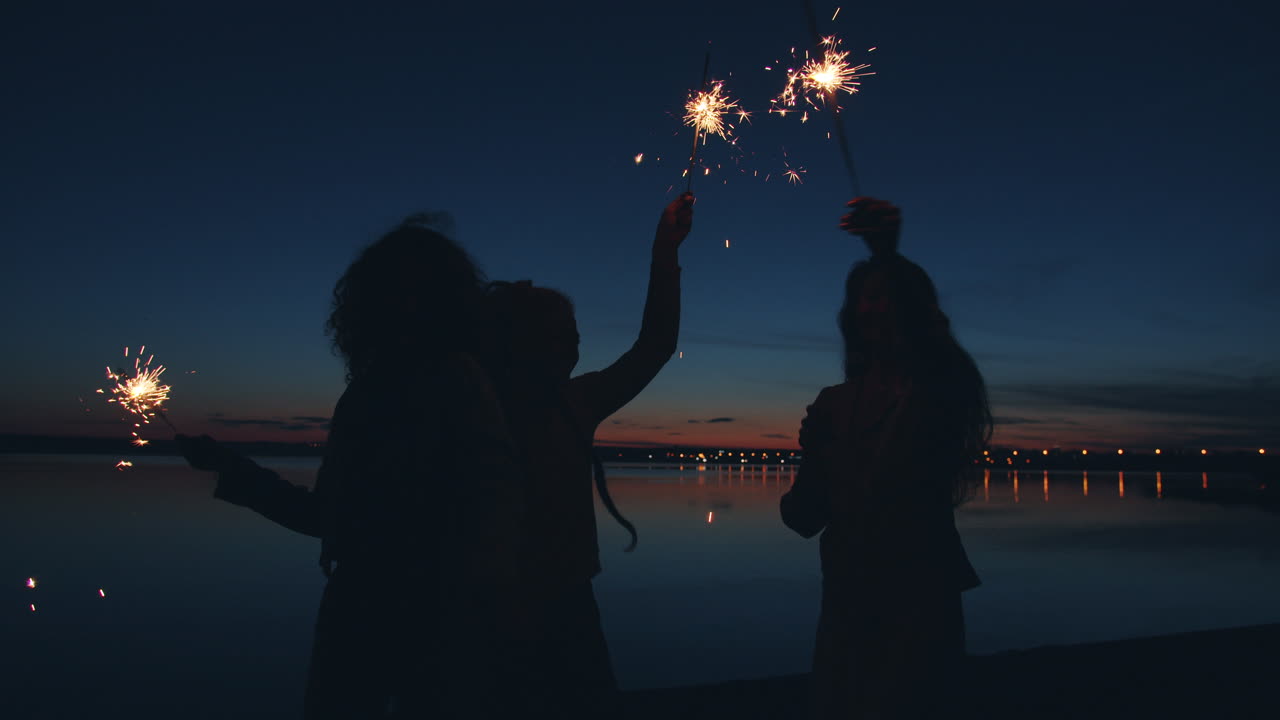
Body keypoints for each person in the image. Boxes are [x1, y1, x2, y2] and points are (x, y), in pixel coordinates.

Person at [177, 213, 525, 719]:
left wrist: (234, 472)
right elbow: (340, 516)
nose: (396, 305)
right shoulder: (406, 383)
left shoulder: (440, 382)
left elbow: (342, 517)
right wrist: (230, 468)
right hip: (405, 606)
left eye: (407, 291)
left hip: (419, 611)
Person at [479, 193, 694, 717]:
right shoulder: (473, 411)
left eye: (574, 339)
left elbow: (656, 345)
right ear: (517, 343)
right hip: (487, 608)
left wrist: (665, 250)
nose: (573, 352)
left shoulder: (577, 401)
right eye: (559, 339)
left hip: (570, 600)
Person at [780, 198, 991, 719]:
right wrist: (817, 455)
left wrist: (887, 254)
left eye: (886, 298)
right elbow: (804, 516)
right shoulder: (833, 404)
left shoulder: (938, 390)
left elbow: (945, 367)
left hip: (922, 599)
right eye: (865, 299)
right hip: (849, 604)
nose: (873, 308)